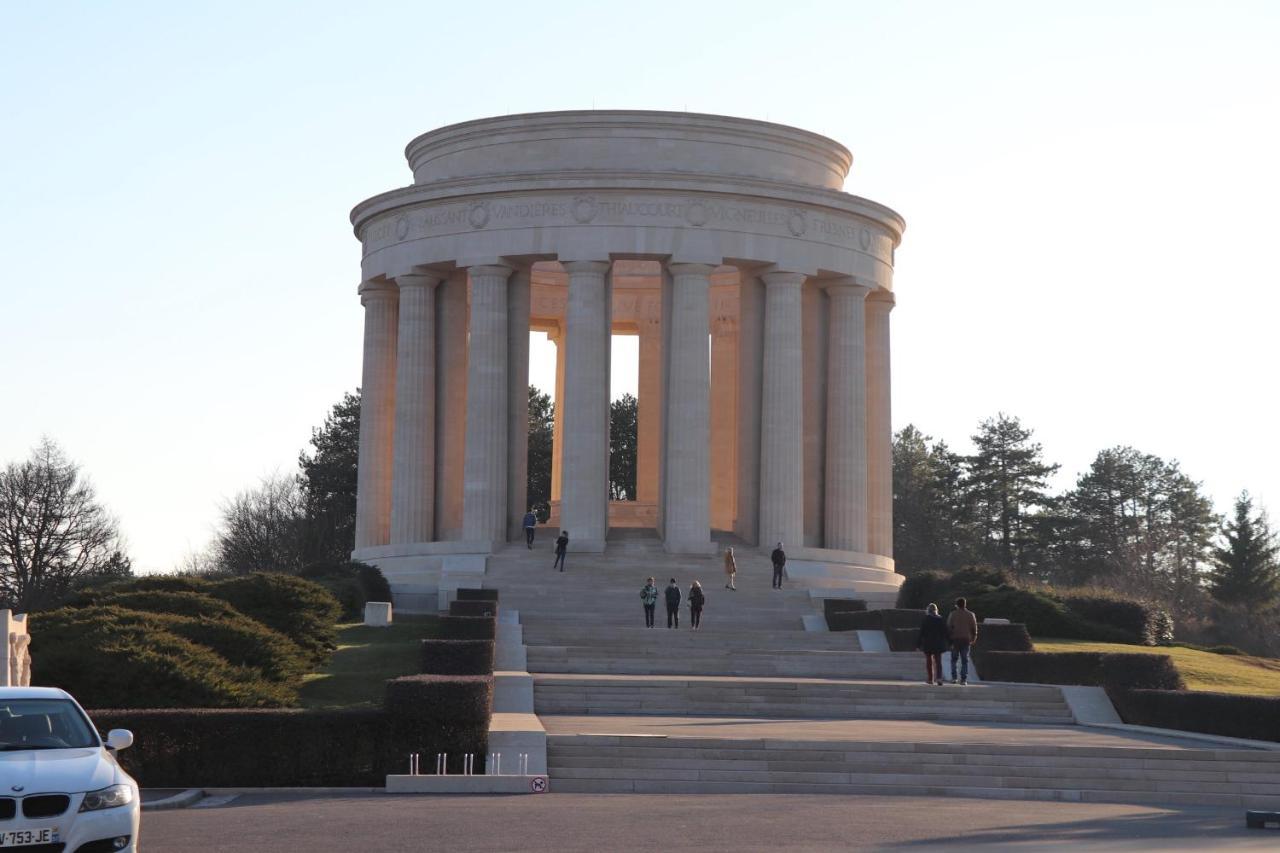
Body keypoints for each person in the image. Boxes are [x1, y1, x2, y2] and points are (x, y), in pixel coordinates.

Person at [947, 596, 978, 685]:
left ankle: (954, 678)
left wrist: (949, 638)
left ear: (957, 605)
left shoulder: (952, 614)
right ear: (965, 604)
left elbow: (949, 627)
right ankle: (964, 679)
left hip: (955, 639)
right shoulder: (971, 614)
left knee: (954, 659)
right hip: (966, 639)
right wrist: (974, 637)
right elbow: (974, 627)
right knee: (965, 660)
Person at [916, 603, 949, 686]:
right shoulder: (940, 619)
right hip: (938, 643)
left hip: (928, 643)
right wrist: (950, 642)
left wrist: (918, 644)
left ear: (928, 610)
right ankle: (939, 678)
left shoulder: (926, 619)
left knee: (929, 661)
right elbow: (945, 632)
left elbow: (922, 633)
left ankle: (930, 679)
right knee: (938, 661)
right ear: (936, 610)